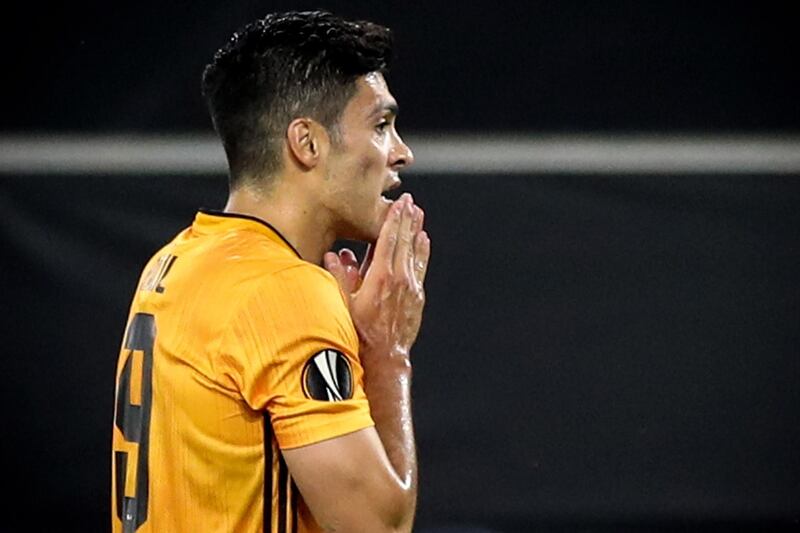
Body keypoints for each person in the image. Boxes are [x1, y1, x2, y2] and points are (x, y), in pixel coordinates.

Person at [111, 10, 429, 533]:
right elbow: (378, 526)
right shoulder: (284, 291)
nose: (402, 152)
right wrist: (387, 352)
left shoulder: (174, 262)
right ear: (306, 144)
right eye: (381, 125)